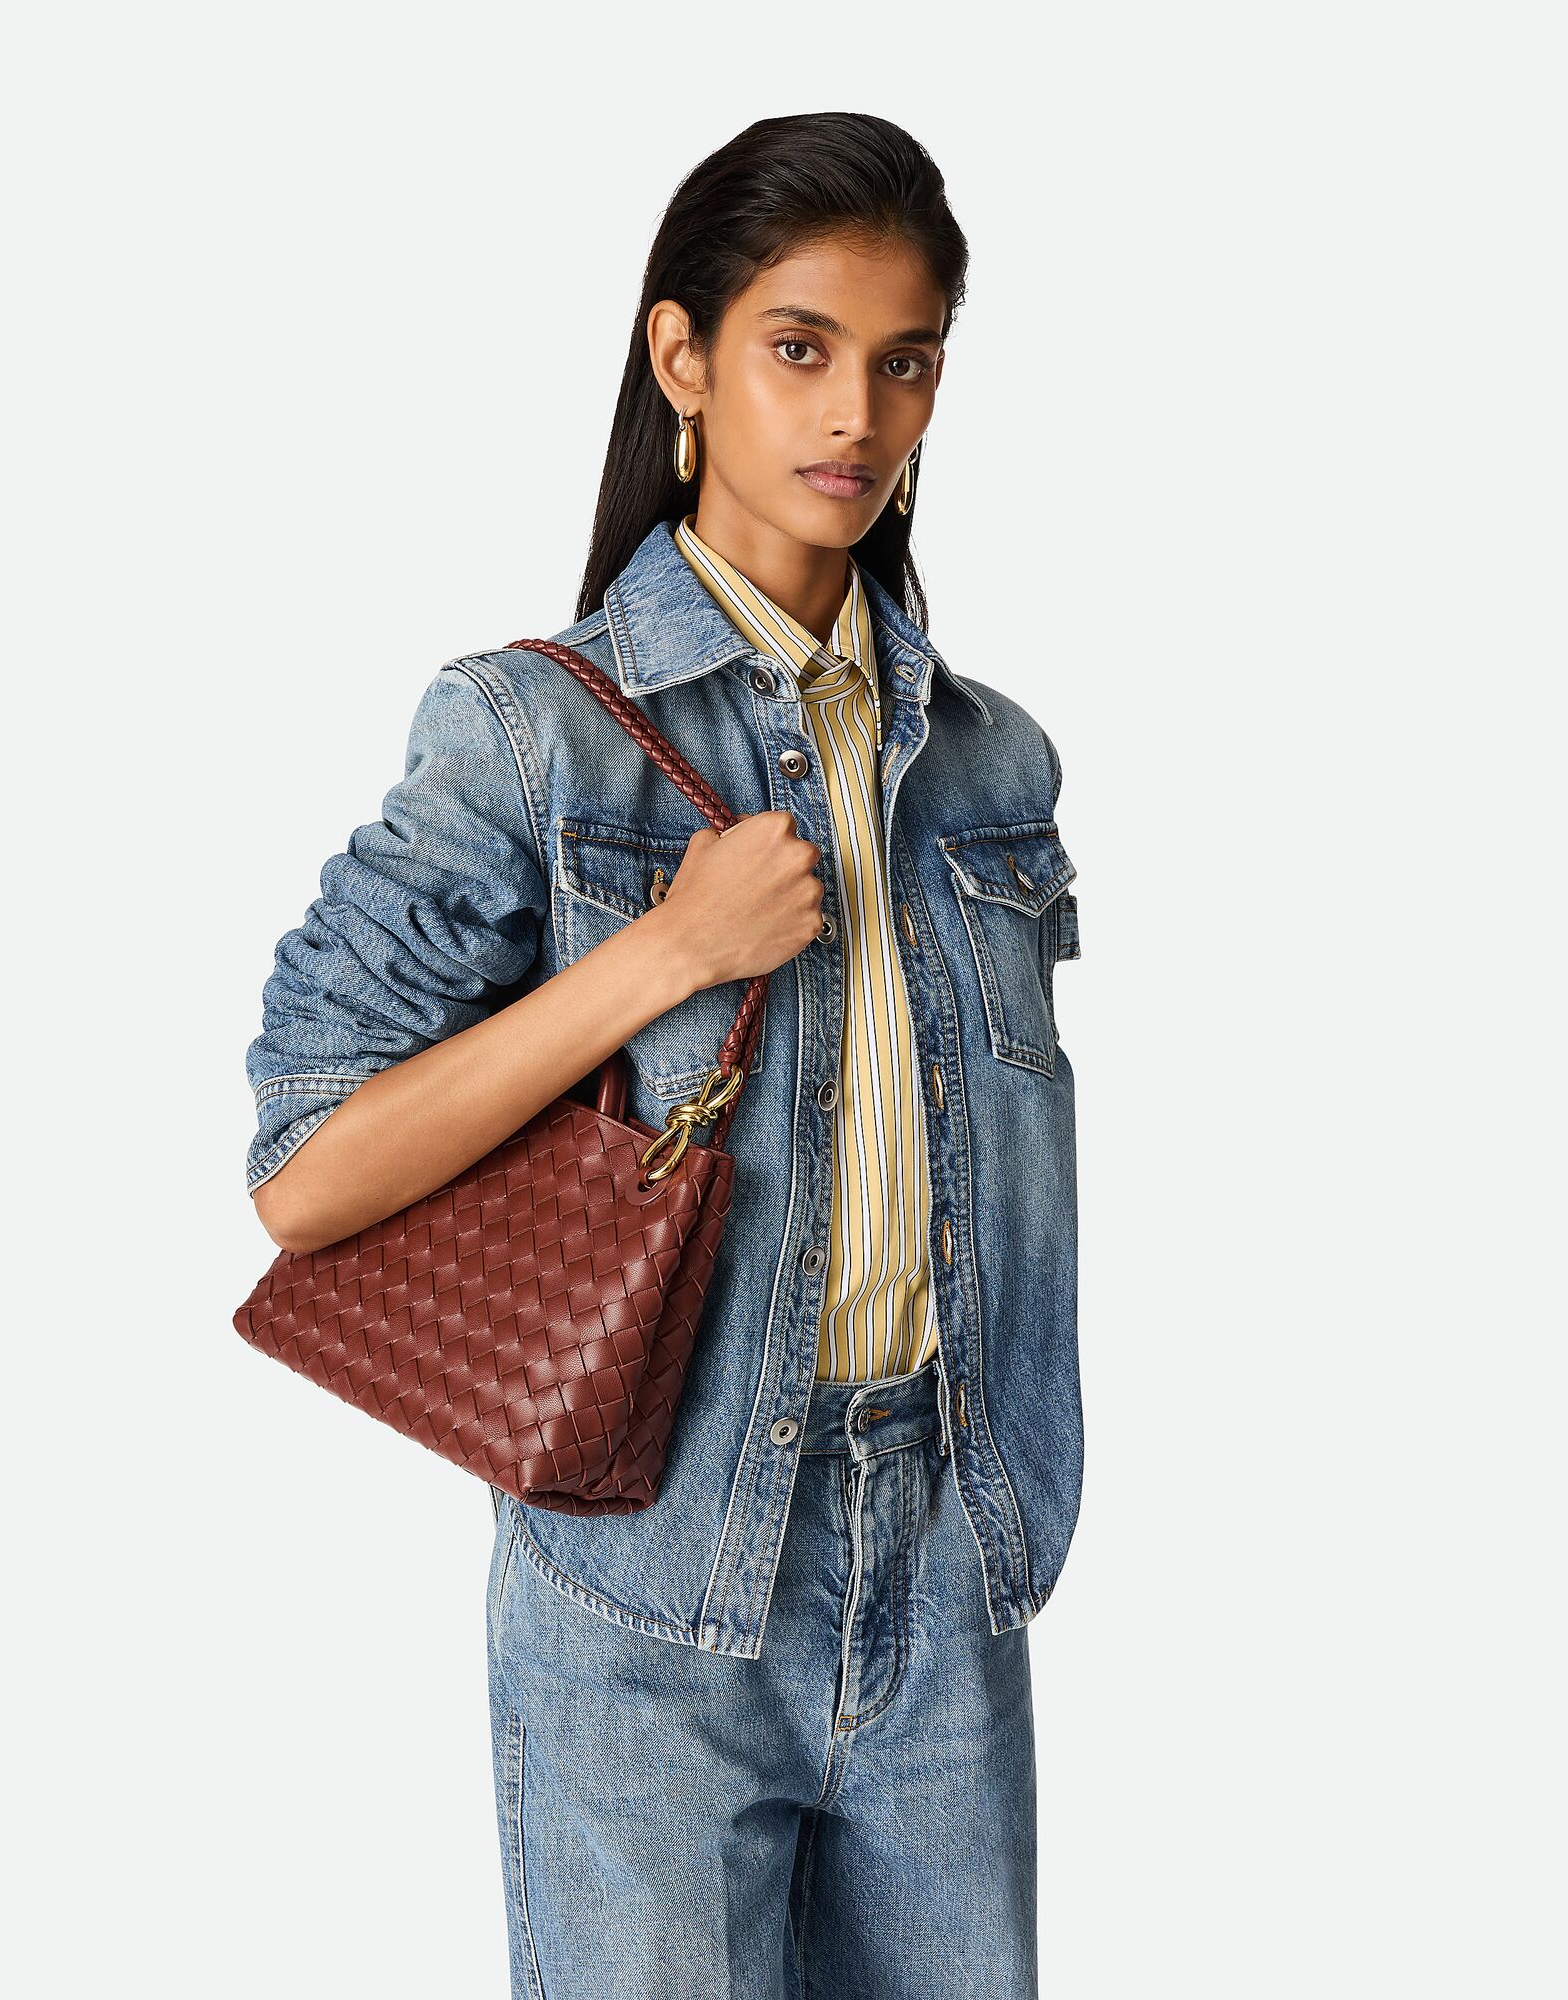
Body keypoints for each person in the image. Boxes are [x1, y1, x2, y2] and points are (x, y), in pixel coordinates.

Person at [243, 110, 1083, 2000]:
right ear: (681, 358)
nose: (854, 412)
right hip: (648, 1581)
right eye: (798, 347)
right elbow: (305, 1176)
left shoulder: (988, 763)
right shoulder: (529, 735)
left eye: (903, 361)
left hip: (947, 1566)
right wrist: (666, 955)